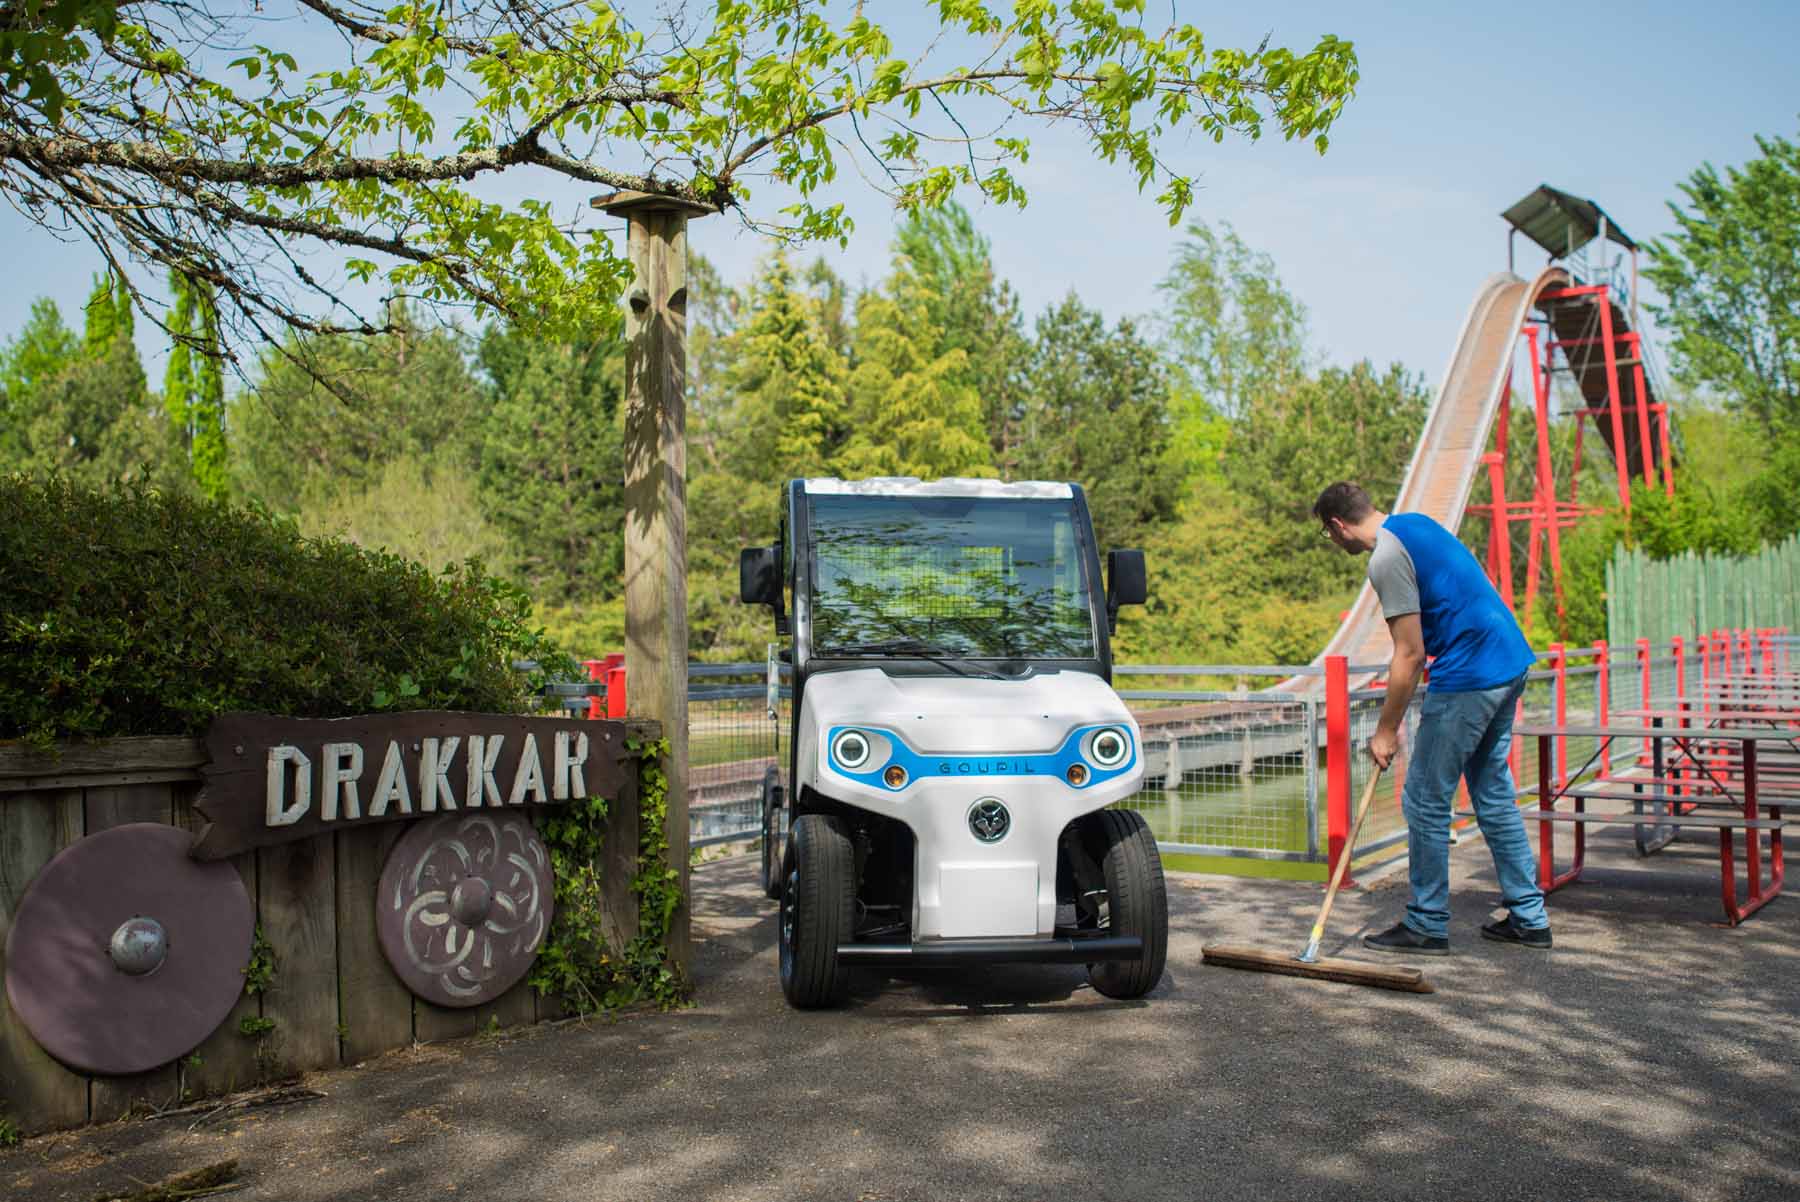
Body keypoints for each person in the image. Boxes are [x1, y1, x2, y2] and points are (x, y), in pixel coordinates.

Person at [1313, 482, 1551, 954]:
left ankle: (1426, 922)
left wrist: (1385, 731)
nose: (1333, 542)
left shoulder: (1384, 557)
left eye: (1328, 534)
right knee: (1493, 792)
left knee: (1424, 798)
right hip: (1509, 661)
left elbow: (1410, 652)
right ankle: (1528, 917)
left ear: (1338, 526)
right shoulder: (1415, 523)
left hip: (1470, 675)